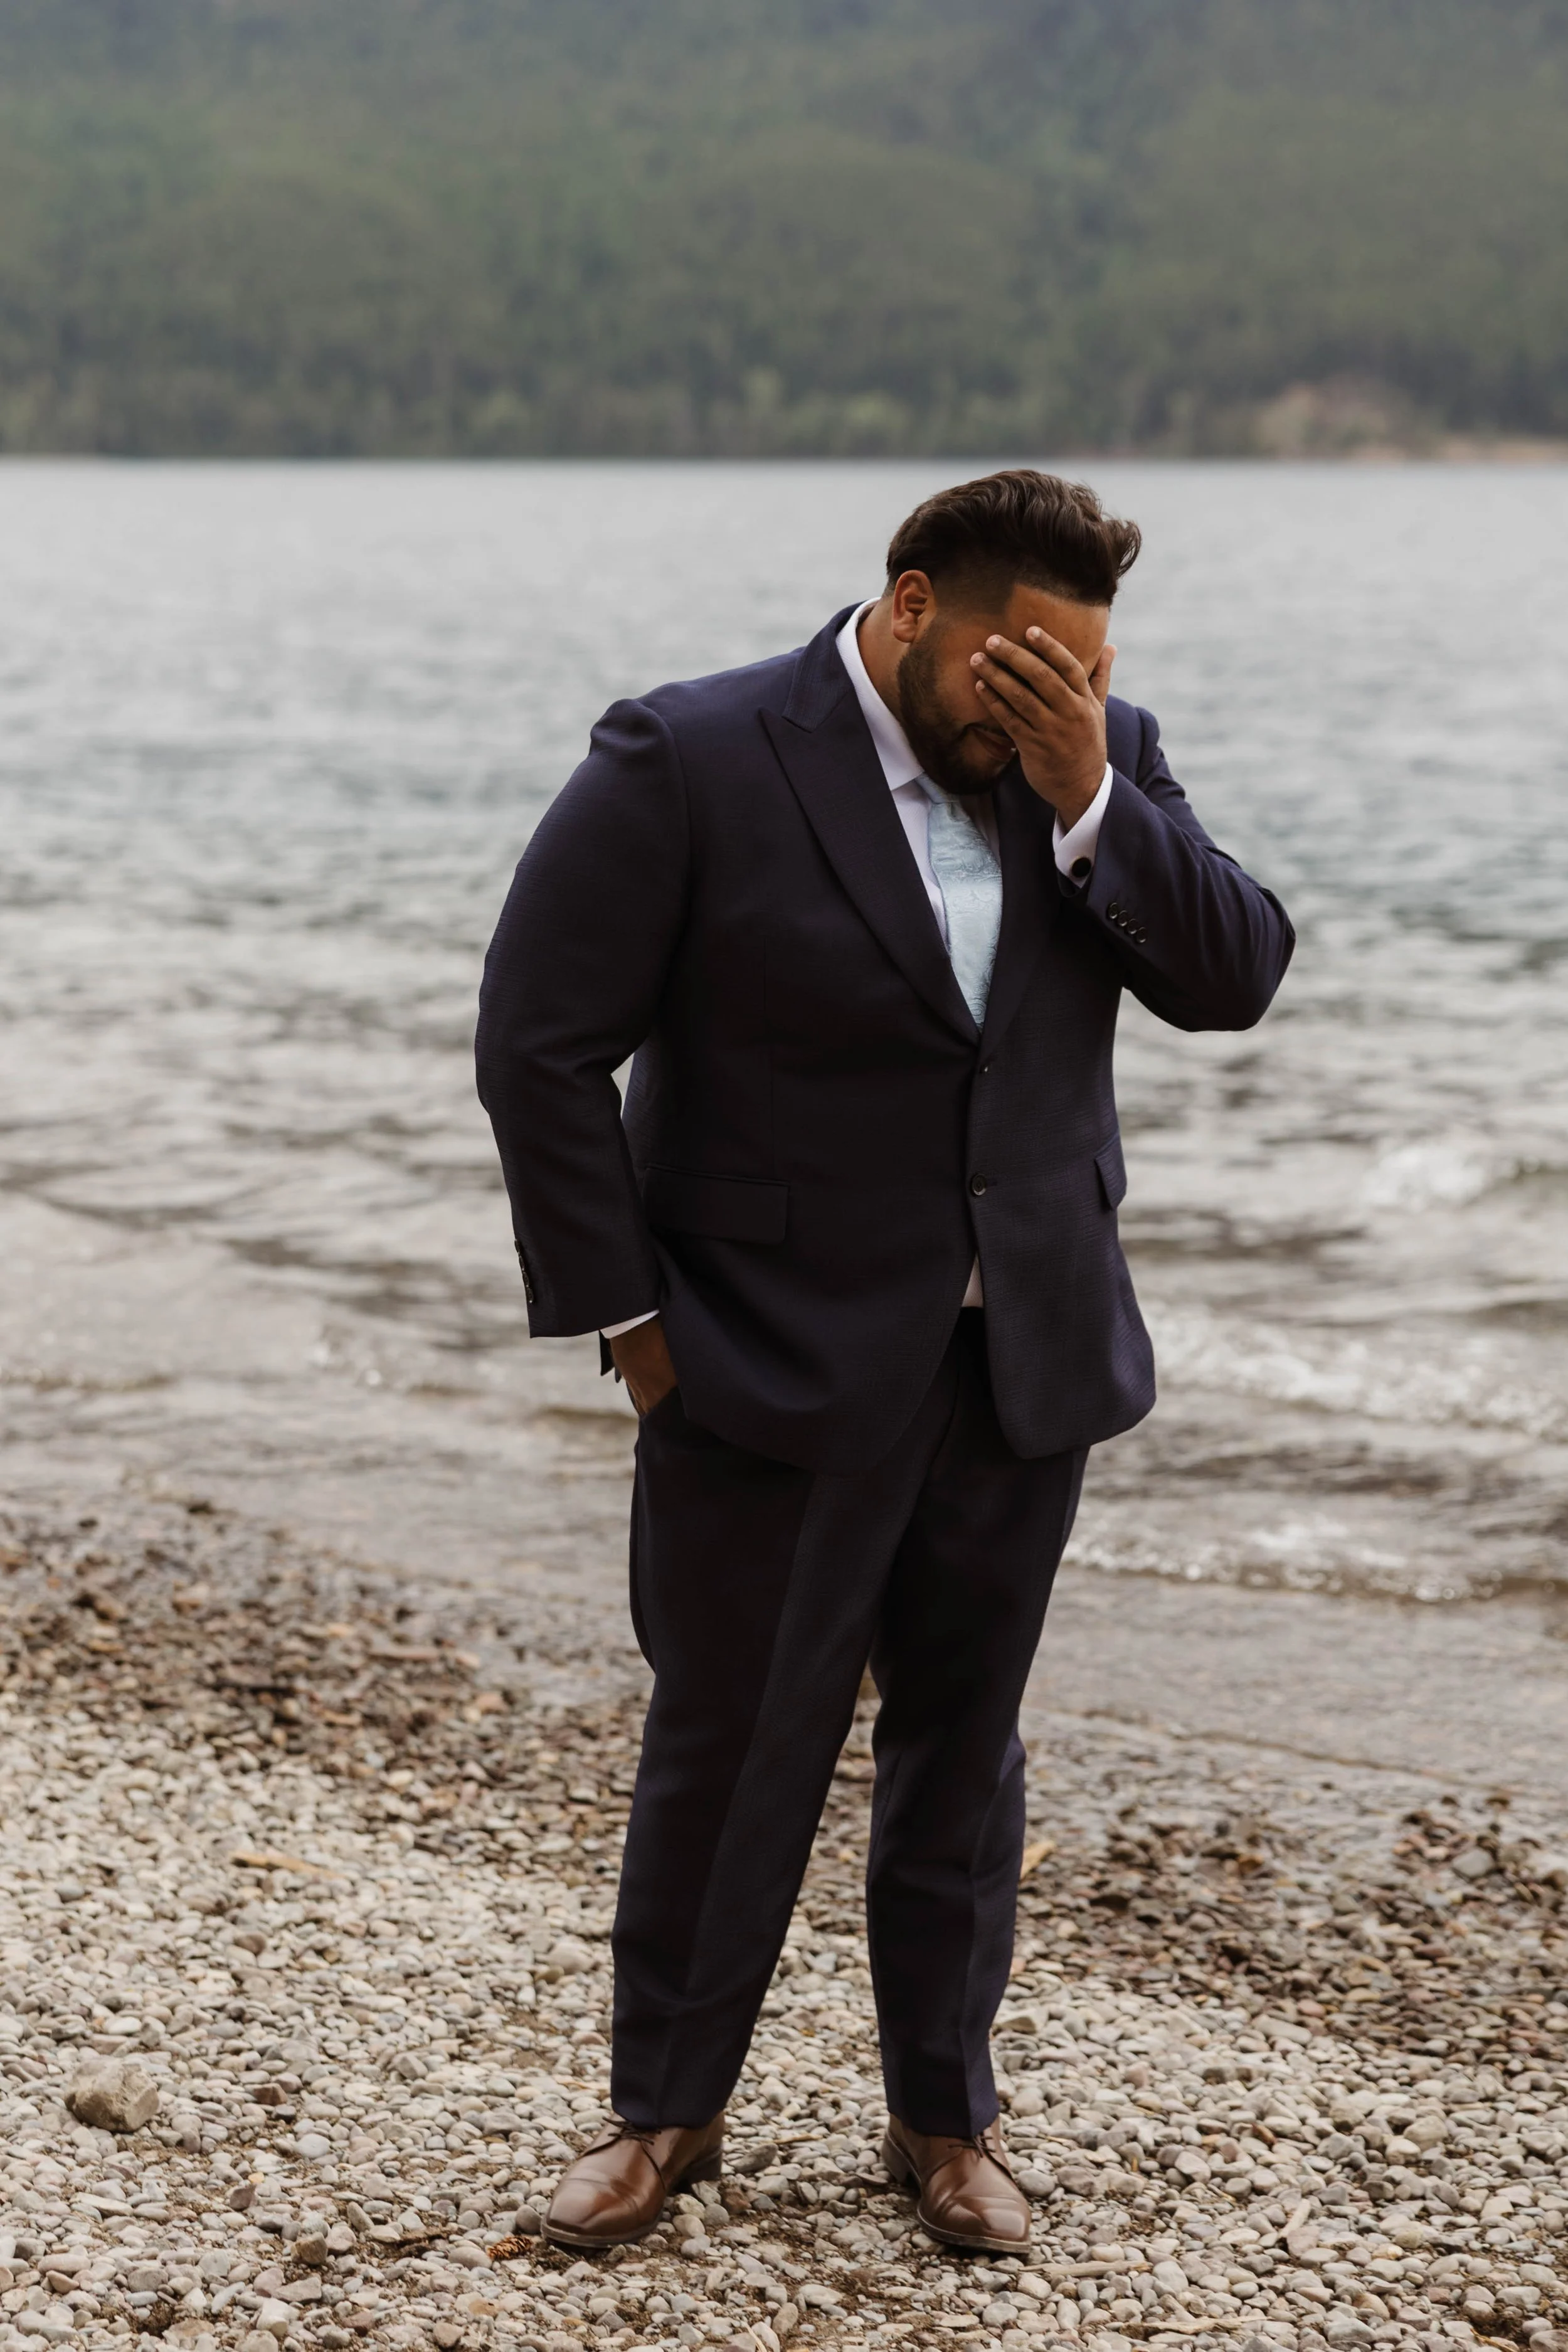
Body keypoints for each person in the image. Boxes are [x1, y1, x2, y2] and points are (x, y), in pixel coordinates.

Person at [475, 469, 1293, 2255]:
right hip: (759, 1358)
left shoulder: (1096, 760)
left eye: (1085, 673)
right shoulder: (688, 756)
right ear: (913, 605)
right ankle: (664, 2113)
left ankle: (943, 2118)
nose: (1054, 701)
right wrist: (633, 1327)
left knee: (963, 1750)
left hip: (1027, 1360)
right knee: (729, 1744)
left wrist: (1090, 797)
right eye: (1026, 666)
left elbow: (1235, 976)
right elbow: (536, 1042)